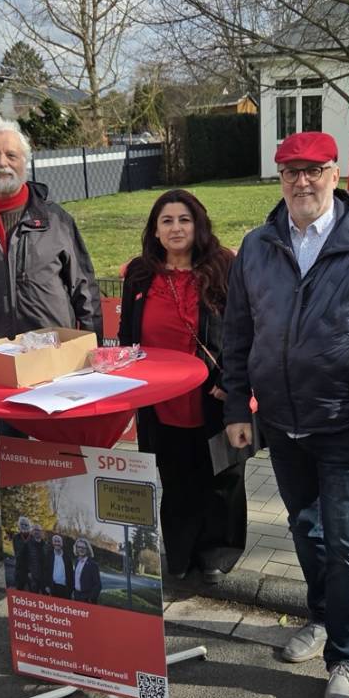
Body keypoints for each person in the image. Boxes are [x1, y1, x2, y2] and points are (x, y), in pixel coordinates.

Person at [223, 131, 349, 698]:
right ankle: (320, 618)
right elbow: (237, 333)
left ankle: (346, 658)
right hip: (281, 422)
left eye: (313, 171)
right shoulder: (257, 245)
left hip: (345, 426)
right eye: (289, 172)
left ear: (335, 173)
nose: (301, 182)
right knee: (306, 530)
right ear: (278, 179)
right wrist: (237, 407)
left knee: (347, 543)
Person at [119, 189, 247, 584]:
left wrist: (234, 382)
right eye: (167, 221)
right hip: (161, 401)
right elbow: (128, 337)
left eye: (184, 220)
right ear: (155, 231)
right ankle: (179, 554)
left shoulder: (226, 266)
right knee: (175, 480)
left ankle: (216, 555)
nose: (176, 228)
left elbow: (246, 330)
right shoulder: (139, 274)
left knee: (221, 478)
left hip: (216, 397)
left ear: (199, 224)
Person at [0, 113, 102, 354]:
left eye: (11, 155)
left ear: (24, 161)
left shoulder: (56, 219)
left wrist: (93, 348)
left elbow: (84, 289)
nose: (2, 163)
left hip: (55, 354)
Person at [71, 538, 102, 604]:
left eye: (83, 547)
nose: (81, 549)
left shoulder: (93, 565)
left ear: (87, 549)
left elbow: (98, 585)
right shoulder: (76, 562)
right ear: (76, 548)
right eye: (79, 547)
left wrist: (91, 598)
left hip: (86, 598)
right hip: (77, 596)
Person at [11, 515, 36, 592]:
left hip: (31, 570)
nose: (24, 526)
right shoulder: (16, 537)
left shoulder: (33, 538)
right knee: (19, 588)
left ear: (29, 526)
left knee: (32, 590)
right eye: (22, 524)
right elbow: (17, 553)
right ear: (19, 525)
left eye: (26, 524)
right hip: (19, 568)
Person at [48, 533, 73, 598]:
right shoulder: (49, 556)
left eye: (58, 541)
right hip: (53, 587)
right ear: (53, 543)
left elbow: (71, 573)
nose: (57, 543)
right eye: (55, 541)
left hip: (65, 588)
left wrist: (71, 589)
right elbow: (45, 572)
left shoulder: (67, 558)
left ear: (62, 543)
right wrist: (46, 586)